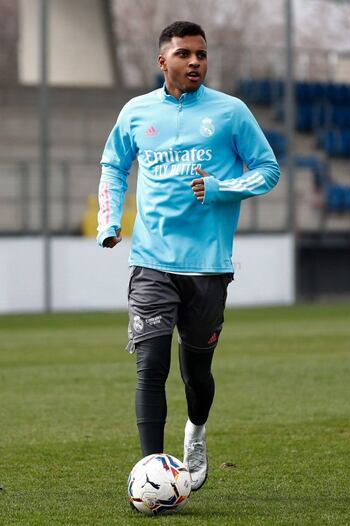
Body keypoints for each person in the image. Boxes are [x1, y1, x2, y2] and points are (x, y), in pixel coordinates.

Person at [97, 20, 280, 491]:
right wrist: (109, 221)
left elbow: (267, 170)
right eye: (184, 54)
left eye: (201, 54)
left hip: (208, 267)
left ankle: (195, 432)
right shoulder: (137, 112)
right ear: (163, 62)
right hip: (151, 261)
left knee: (196, 372)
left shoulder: (231, 112)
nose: (195, 61)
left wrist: (221, 189)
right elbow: (114, 165)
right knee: (150, 365)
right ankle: (152, 472)